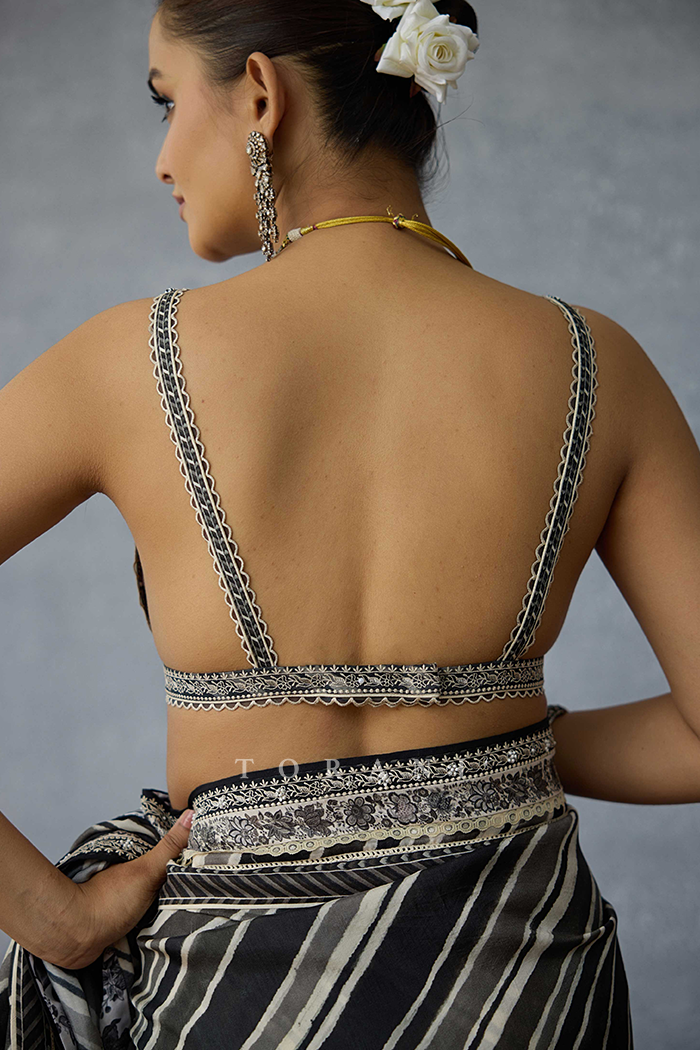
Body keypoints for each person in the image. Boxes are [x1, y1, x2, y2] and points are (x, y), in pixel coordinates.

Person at [0, 0, 699, 1045]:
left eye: (165, 102)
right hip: (519, 984)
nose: (162, 160)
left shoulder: (126, 363)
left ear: (262, 96)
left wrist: (56, 918)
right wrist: (504, 745)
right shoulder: (596, 364)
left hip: (234, 999)